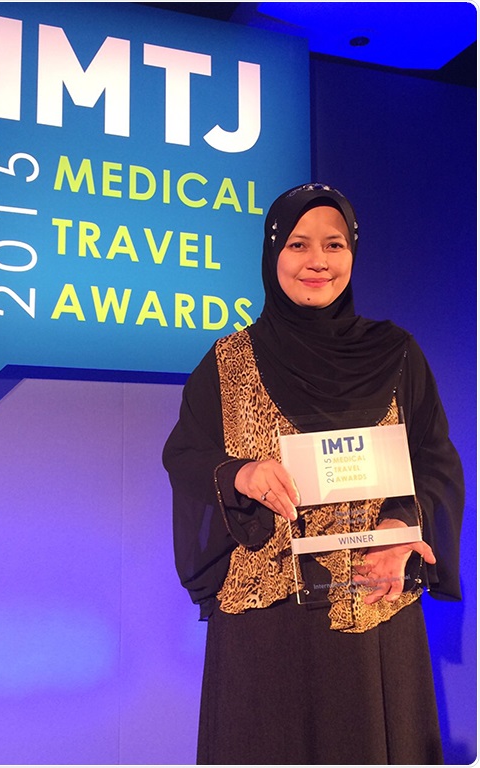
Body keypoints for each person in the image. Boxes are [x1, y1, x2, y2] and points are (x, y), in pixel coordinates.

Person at [162, 183, 464, 765]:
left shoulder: (397, 353)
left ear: (354, 252)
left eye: (335, 244)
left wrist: (402, 526)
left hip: (374, 608)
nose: (318, 261)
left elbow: (435, 460)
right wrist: (240, 475)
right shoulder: (228, 362)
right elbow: (188, 457)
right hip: (268, 631)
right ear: (272, 252)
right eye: (298, 244)